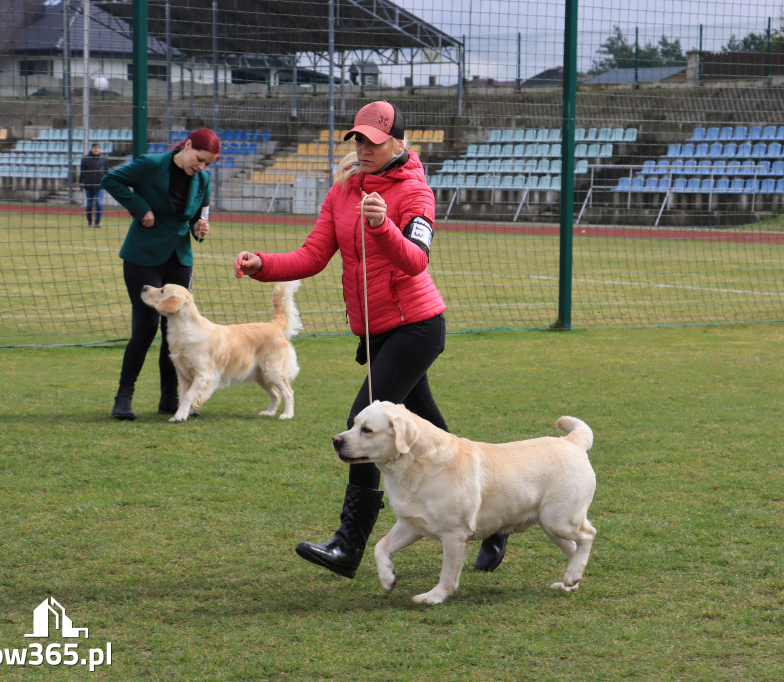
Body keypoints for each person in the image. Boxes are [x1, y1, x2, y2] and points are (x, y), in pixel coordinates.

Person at [234, 101, 509, 578]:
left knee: (362, 423)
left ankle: (349, 544)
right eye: (357, 139)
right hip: (376, 334)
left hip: (417, 327)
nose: (362, 148)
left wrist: (382, 226)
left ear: (398, 143)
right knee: (436, 437)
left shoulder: (416, 193)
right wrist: (264, 264)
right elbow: (314, 254)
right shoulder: (342, 192)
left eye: (372, 141)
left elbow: (415, 261)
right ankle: (497, 517)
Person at [101, 128, 219, 420]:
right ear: (187, 145)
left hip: (179, 259)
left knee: (176, 331)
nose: (201, 167)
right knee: (146, 326)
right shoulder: (151, 165)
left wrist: (199, 228)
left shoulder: (203, 180)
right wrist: (140, 208)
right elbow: (111, 179)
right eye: (199, 159)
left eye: (207, 164)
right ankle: (123, 398)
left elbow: (197, 217)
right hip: (143, 257)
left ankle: (171, 399)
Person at [79, 143, 110, 227]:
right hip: (88, 185)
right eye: (94, 148)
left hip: (100, 185)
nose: (96, 149)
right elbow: (82, 171)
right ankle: (89, 221)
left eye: (98, 148)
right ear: (92, 148)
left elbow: (107, 172)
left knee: (99, 203)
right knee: (89, 204)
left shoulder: (104, 159)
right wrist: (80, 182)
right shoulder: (85, 159)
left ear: (100, 149)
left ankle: (97, 222)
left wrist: (108, 182)